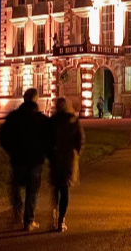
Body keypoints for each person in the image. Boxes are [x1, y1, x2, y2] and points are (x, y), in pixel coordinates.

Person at [0, 88, 50, 231]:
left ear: (24, 98)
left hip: (18, 159)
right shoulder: (41, 119)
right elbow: (49, 139)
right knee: (32, 191)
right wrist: (44, 153)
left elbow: (3, 137)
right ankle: (28, 221)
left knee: (15, 187)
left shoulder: (13, 117)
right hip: (35, 160)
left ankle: (17, 211)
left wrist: (12, 151)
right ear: (36, 99)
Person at [48, 97, 84, 233]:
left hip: (55, 158)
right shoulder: (73, 121)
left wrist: (49, 153)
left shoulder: (52, 121)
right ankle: (61, 220)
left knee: (56, 188)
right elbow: (80, 139)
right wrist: (77, 152)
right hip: (68, 158)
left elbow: (46, 139)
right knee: (64, 189)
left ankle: (54, 215)